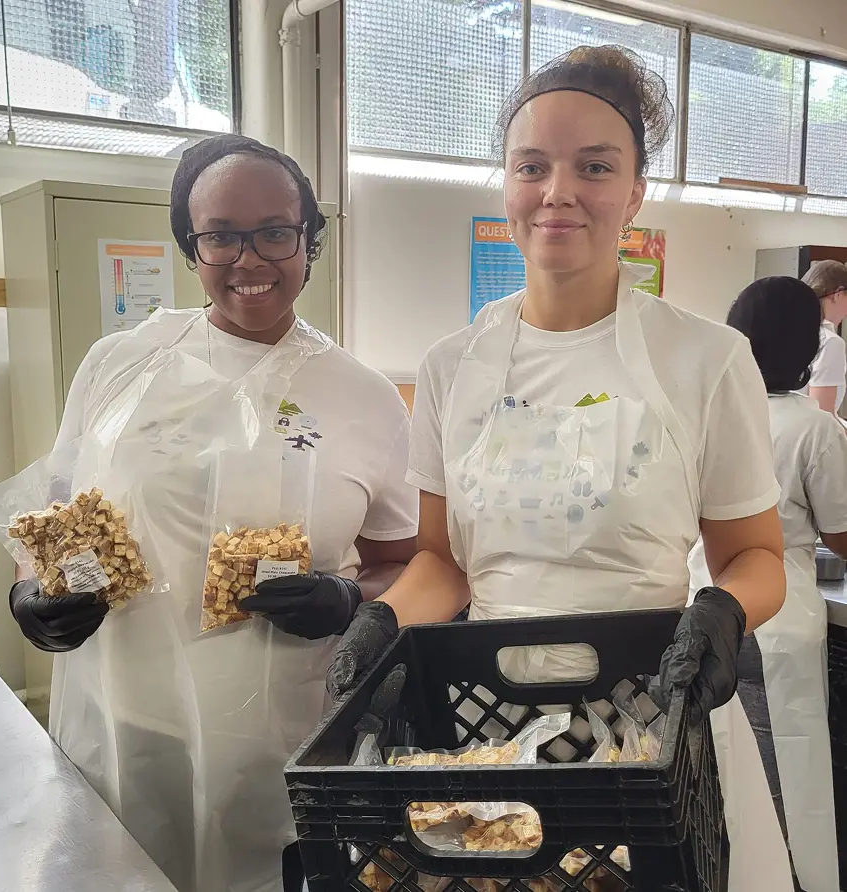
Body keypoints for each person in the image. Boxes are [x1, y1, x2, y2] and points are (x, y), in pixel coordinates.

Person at [326, 46, 793, 889]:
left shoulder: (706, 359)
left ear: (636, 193)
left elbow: (756, 556)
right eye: (532, 166)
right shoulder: (452, 366)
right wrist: (384, 622)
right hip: (490, 728)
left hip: (656, 723)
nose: (559, 192)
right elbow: (442, 561)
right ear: (505, 182)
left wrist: (724, 611)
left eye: (595, 167)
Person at [6, 134, 419, 892]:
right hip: (123, 720)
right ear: (191, 248)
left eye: (274, 232)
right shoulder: (118, 363)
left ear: (309, 241)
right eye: (220, 236)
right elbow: (55, 518)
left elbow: (407, 560)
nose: (248, 258)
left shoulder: (364, 396)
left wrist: (349, 597)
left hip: (274, 736)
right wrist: (29, 590)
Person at [690, 276, 847, 892]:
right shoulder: (814, 430)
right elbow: (842, 534)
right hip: (780, 625)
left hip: (711, 619)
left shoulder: (711, 420)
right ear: (808, 349)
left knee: (727, 782)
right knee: (792, 777)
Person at [802, 259, 847, 416]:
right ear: (838, 295)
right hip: (811, 435)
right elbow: (822, 414)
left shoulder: (791, 332)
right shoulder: (830, 342)